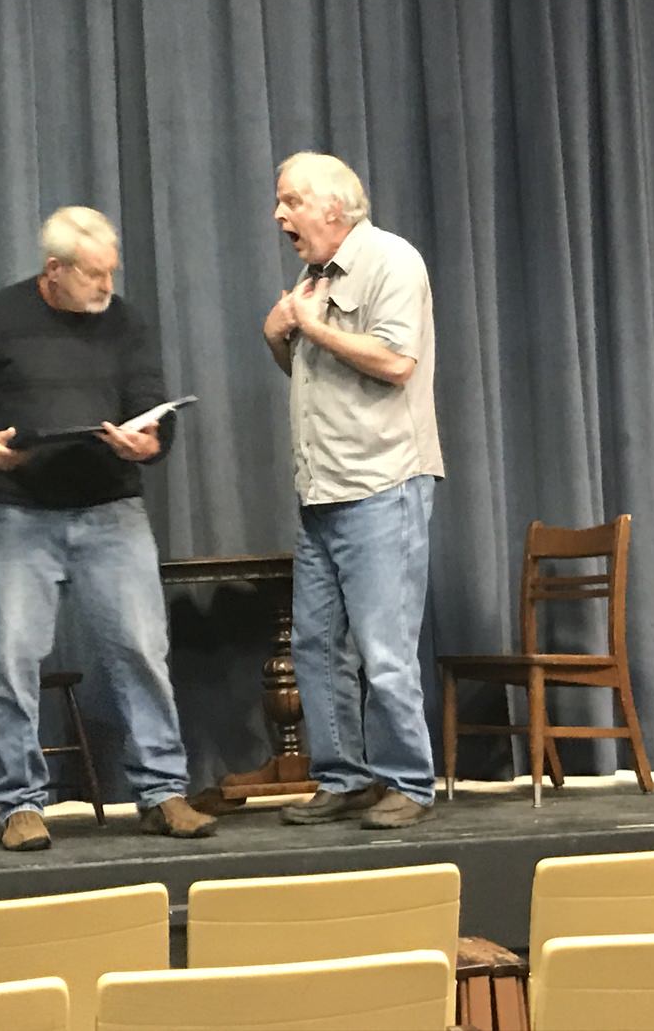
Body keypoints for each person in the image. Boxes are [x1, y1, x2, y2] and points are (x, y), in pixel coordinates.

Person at [0, 206, 216, 851]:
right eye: (92, 276)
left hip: (111, 511)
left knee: (141, 652)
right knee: (12, 659)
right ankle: (19, 804)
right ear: (54, 270)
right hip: (19, 515)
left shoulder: (124, 322)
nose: (105, 288)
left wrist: (147, 442)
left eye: (111, 273)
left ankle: (162, 792)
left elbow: (156, 406)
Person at [261, 152, 445, 829]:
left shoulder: (392, 261)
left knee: (382, 643)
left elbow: (397, 361)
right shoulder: (314, 276)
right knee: (316, 643)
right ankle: (342, 776)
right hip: (322, 492)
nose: (279, 215)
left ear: (332, 207)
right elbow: (313, 372)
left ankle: (407, 781)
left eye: (289, 201)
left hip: (381, 482)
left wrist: (309, 325)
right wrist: (279, 337)